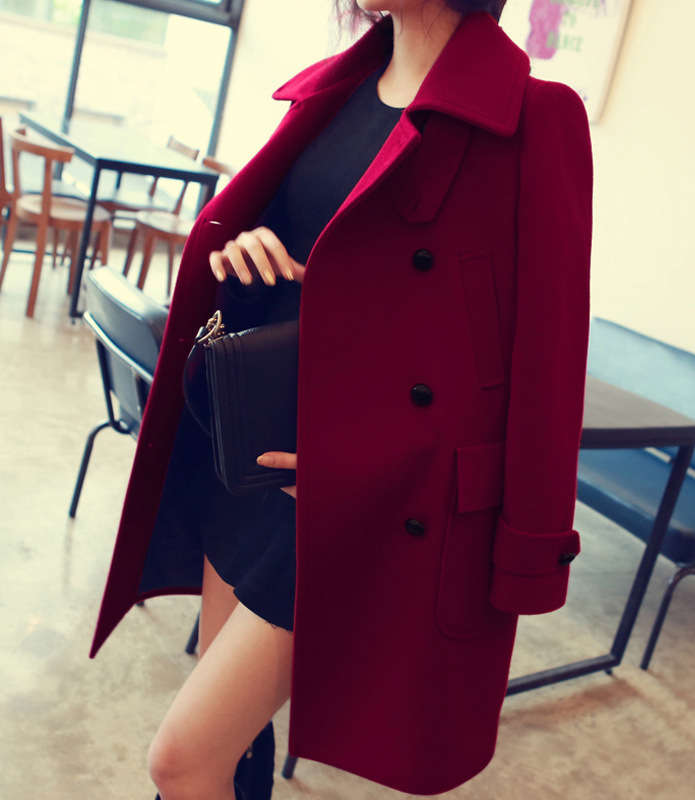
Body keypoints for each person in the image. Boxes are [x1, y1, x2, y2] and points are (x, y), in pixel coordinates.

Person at [90, 1, 593, 798]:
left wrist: (528, 552)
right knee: (232, 742)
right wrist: (248, 256)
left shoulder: (536, 118)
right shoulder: (339, 90)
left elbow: (547, 356)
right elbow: (312, 271)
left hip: (364, 499)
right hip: (253, 460)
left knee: (181, 760)